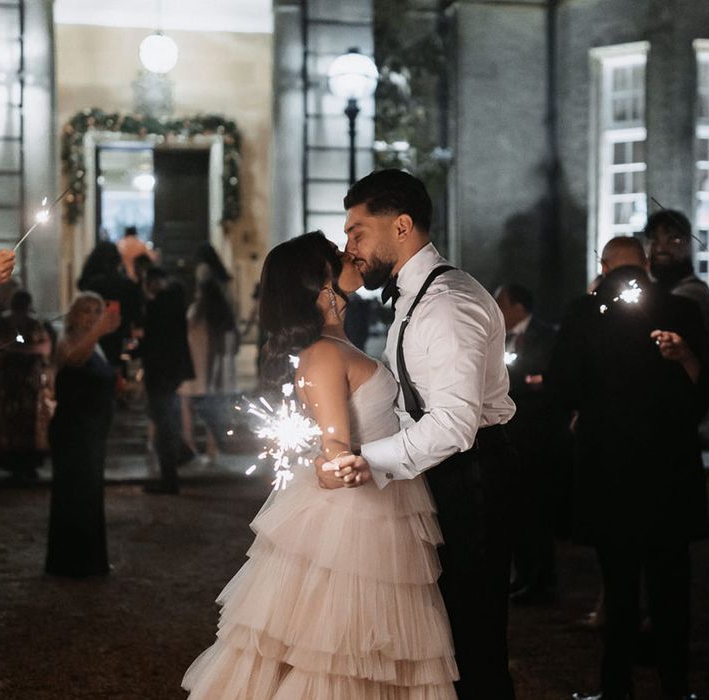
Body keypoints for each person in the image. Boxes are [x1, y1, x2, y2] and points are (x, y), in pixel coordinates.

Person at [182, 231, 458, 698]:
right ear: (321, 287)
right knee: (340, 655)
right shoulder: (325, 354)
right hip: (357, 522)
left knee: (364, 655)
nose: (348, 253)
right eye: (335, 257)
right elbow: (334, 443)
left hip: (379, 506)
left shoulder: (334, 346)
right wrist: (336, 463)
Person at [332, 169, 518, 699]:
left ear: (402, 226)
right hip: (450, 472)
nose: (351, 248)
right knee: (448, 631)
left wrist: (369, 457)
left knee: (473, 635)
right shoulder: (417, 296)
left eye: (357, 231)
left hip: (473, 476)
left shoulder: (447, 303)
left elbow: (454, 424)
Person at [548, 236, 709, 700]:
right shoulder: (681, 311)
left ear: (603, 266)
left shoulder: (584, 313)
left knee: (619, 590)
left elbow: (562, 386)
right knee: (671, 588)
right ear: (644, 264)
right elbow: (705, 393)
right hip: (670, 471)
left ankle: (615, 687)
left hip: (609, 471)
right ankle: (676, 688)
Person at [495, 283, 564, 605]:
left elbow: (550, 379)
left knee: (538, 511)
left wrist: (523, 381)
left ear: (517, 306)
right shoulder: (497, 338)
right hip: (510, 436)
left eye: (500, 302)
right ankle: (521, 575)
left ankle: (541, 579)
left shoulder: (547, 336)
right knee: (516, 510)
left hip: (538, 435)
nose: (495, 308)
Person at [45, 292, 121, 577]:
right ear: (74, 314)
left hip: (93, 431)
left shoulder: (97, 346)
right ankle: (70, 564)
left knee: (90, 496)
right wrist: (98, 331)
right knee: (74, 495)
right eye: (86, 311)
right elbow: (75, 359)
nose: (91, 316)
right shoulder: (67, 342)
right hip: (73, 431)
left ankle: (90, 561)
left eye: (96, 311)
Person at [0, 290, 54, 479]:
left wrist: (17, 350)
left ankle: (23, 461)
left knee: (23, 420)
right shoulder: (9, 323)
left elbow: (43, 347)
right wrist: (29, 350)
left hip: (25, 381)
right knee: (14, 421)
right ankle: (18, 461)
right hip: (13, 380)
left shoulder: (31, 324)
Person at [139, 267, 194, 494]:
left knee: (163, 421)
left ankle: (169, 475)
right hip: (172, 370)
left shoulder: (157, 307)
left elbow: (152, 342)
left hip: (160, 371)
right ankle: (176, 460)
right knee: (165, 418)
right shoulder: (176, 304)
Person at [178, 275, 238, 462]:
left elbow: (185, 336)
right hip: (218, 371)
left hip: (195, 366)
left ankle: (189, 442)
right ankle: (212, 447)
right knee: (214, 408)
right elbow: (233, 344)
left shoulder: (195, 313)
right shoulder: (224, 315)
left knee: (186, 404)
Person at [644, 209, 709, 346]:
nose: (661, 248)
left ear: (688, 245)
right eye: (654, 240)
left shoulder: (694, 294)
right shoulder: (662, 288)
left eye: (673, 240)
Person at [78, 241, 142, 370]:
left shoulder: (92, 285)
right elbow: (136, 316)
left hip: (94, 339)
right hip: (120, 339)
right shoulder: (128, 286)